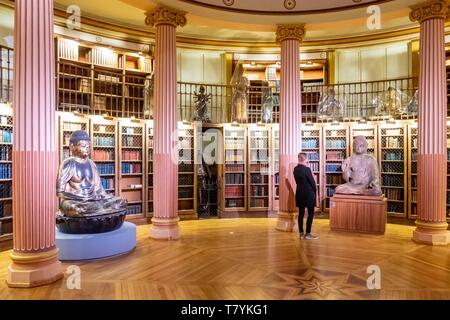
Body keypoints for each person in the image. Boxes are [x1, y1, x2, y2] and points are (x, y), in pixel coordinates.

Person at [56, 130, 127, 217]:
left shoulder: (91, 164)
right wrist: (81, 198)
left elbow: (99, 189)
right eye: (83, 146)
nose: (87, 148)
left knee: (119, 202)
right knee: (77, 209)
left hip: (93, 200)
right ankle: (96, 210)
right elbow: (60, 192)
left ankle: (97, 210)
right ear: (72, 146)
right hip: (75, 201)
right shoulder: (68, 163)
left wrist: (105, 197)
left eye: (88, 146)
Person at [293, 152, 318, 240]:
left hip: (299, 193)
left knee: (301, 213)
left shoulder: (295, 169)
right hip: (309, 194)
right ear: (305, 159)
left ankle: (301, 233)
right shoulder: (307, 169)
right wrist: (315, 192)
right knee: (311, 213)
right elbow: (312, 183)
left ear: (299, 159)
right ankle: (307, 234)